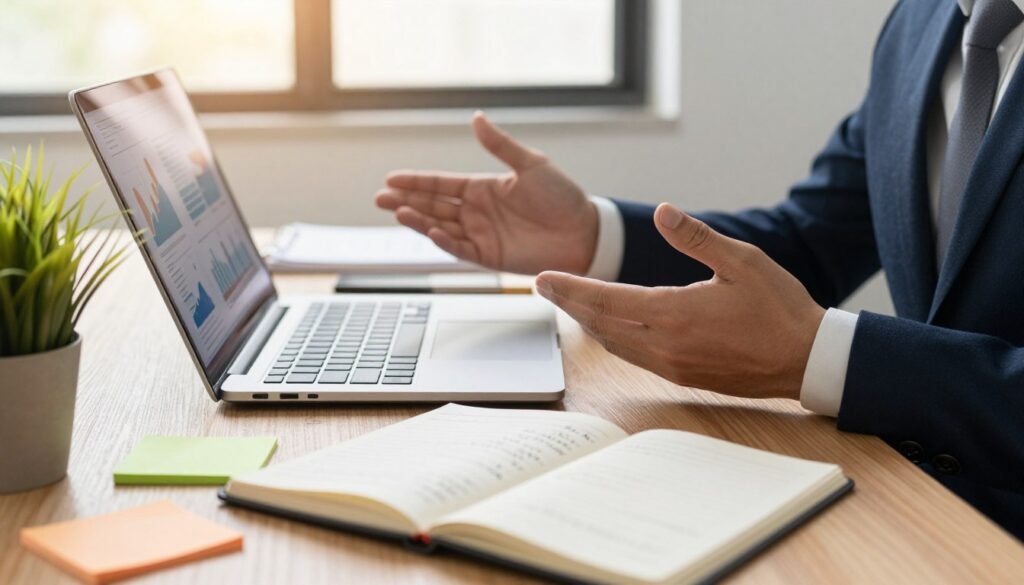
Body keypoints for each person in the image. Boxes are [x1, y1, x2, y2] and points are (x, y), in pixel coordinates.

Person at [374, 0, 1024, 540]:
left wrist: (822, 357)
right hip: (926, 512)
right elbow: (808, 243)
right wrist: (592, 235)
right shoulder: (923, 21)